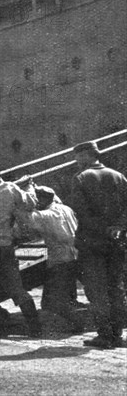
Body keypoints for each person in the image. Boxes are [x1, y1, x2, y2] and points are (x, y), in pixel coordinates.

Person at [70, 141, 127, 349]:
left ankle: (104, 335)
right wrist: (118, 226)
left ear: (85, 156)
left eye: (77, 157)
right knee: (116, 288)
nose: (76, 161)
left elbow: (81, 213)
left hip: (92, 242)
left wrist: (103, 229)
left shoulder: (81, 178)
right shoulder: (119, 176)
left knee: (96, 290)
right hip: (117, 241)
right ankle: (117, 334)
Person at [0, 158, 41, 337]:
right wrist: (28, 187)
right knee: (16, 288)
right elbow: (30, 203)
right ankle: (35, 326)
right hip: (5, 245)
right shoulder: (12, 189)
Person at [16, 185, 81, 330]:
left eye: (37, 199)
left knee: (51, 301)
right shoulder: (66, 209)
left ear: (44, 199)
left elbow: (27, 218)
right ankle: (74, 319)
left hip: (60, 260)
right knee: (61, 296)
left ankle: (77, 322)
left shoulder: (48, 215)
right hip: (76, 255)